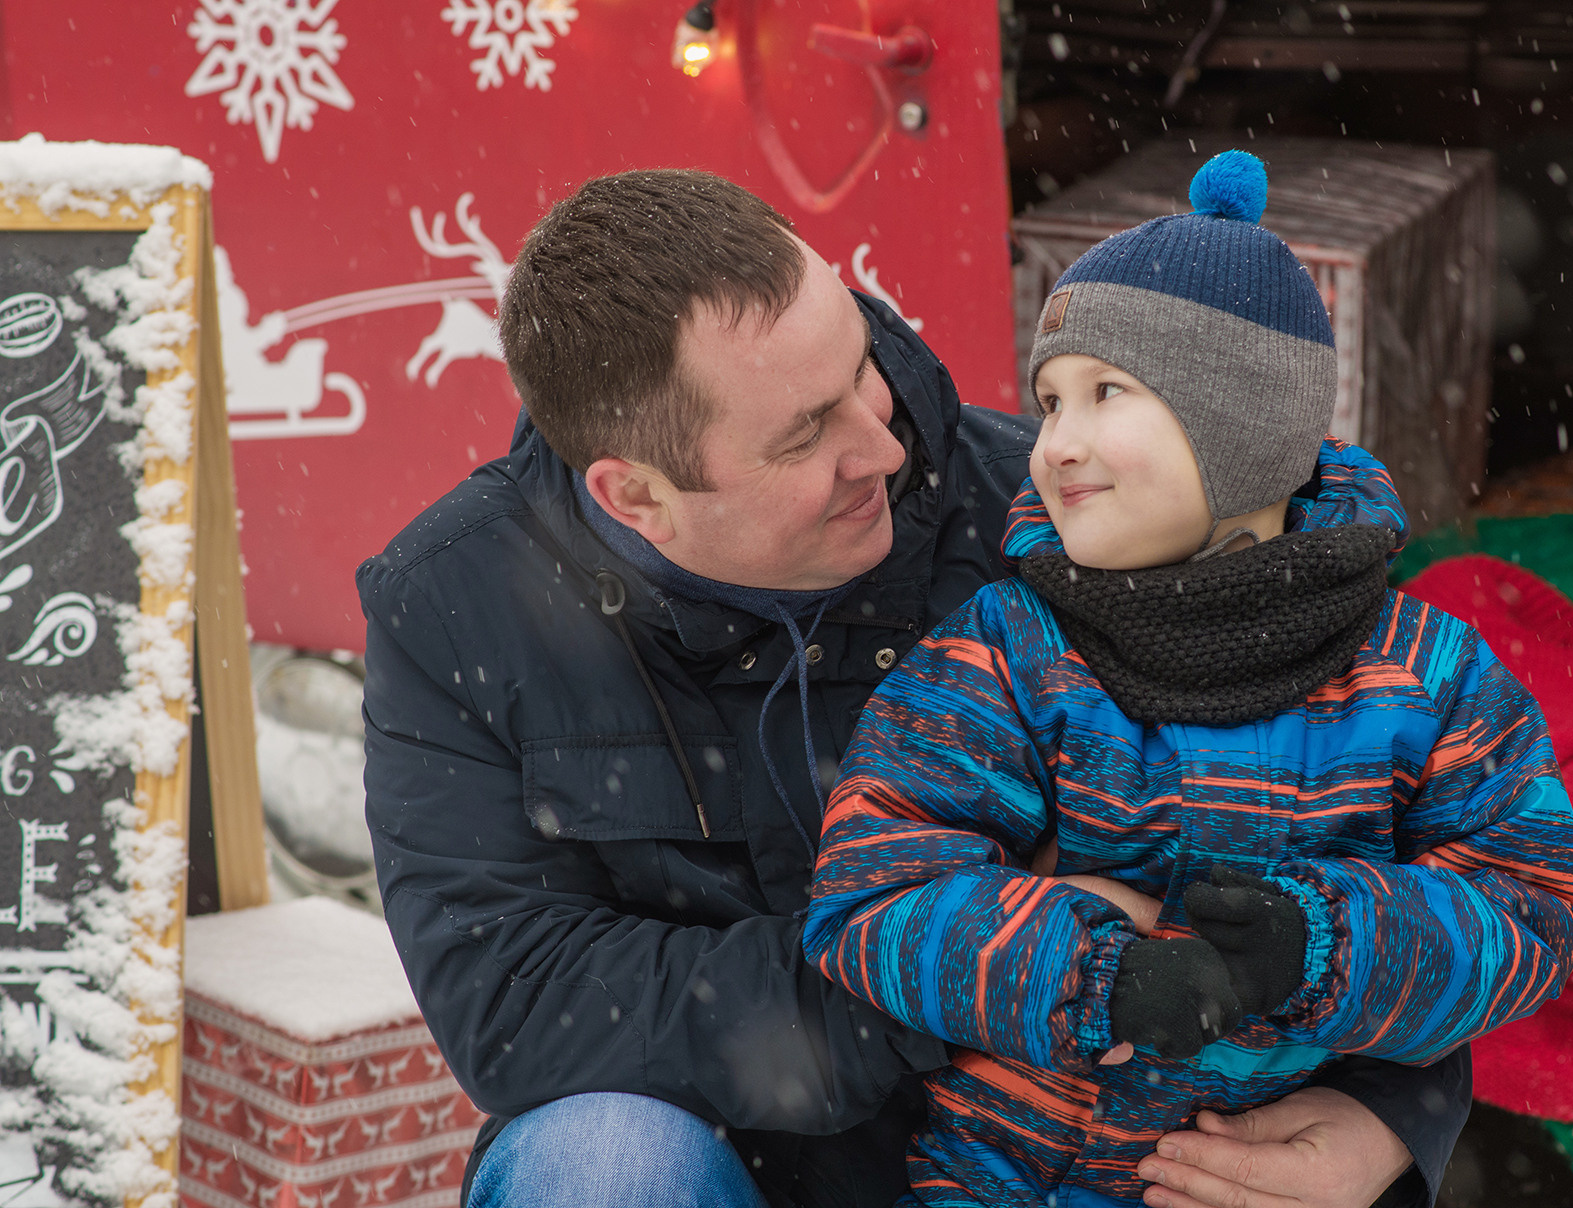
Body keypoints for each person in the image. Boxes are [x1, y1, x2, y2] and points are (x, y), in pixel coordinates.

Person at [360, 167, 1475, 1208]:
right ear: (636, 493)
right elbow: (519, 1005)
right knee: (597, 1161)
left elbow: (1373, 807)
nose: (882, 448)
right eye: (807, 433)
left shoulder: (1046, 519)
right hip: (731, 1155)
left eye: (859, 368)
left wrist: (1393, 1114)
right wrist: (963, 960)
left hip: (1069, 1147)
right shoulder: (458, 604)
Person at [802, 153, 1573, 1208]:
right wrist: (1092, 976)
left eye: (1105, 393)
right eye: (1047, 402)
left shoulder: (1425, 676)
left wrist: (1319, 943)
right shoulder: (1005, 650)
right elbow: (870, 894)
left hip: (1267, 1175)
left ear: (1244, 426)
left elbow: (1533, 912)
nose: (1054, 445)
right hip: (1007, 1177)